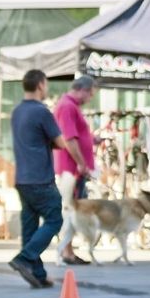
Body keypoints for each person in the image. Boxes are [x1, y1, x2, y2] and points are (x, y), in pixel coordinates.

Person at [8, 69, 77, 289]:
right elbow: (60, 143)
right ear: (40, 85)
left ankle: (37, 274)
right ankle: (25, 257)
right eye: (45, 85)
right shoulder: (42, 112)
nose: (46, 89)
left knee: (29, 226)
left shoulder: (17, 111)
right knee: (55, 219)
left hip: (22, 178)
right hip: (40, 178)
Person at [52, 75, 98, 265]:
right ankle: (66, 251)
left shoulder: (71, 106)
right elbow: (69, 139)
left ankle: (68, 249)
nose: (90, 99)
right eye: (91, 94)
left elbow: (77, 136)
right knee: (71, 209)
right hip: (71, 169)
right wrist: (81, 163)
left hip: (74, 169)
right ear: (83, 90)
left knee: (74, 209)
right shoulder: (68, 106)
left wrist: (92, 140)